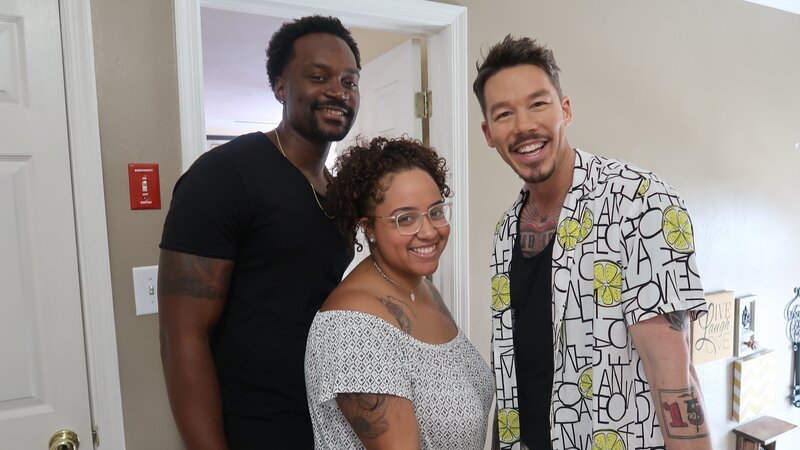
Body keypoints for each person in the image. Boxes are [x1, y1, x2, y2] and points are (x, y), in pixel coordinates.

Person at [473, 36, 712, 450]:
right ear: (489, 133)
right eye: (504, 113)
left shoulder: (640, 203)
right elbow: (517, 373)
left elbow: (673, 378)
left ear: (565, 109)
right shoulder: (504, 232)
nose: (524, 125)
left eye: (538, 103)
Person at [158, 15, 361, 449]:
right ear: (281, 87)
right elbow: (182, 335)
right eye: (318, 76)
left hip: (327, 419)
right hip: (252, 426)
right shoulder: (225, 174)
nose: (338, 92)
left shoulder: (339, 191)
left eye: (349, 80)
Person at [304, 137, 494, 449]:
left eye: (435, 211)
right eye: (405, 219)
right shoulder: (353, 327)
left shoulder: (423, 289)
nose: (429, 231)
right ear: (368, 227)